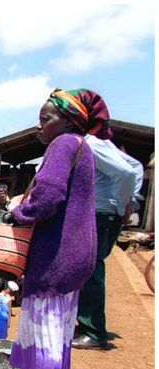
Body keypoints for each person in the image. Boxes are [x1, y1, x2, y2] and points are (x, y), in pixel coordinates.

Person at [0, 88, 98, 369]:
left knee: (45, 330)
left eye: (46, 120)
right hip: (76, 254)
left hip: (57, 255)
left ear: (67, 122)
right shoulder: (84, 148)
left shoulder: (64, 145)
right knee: (58, 327)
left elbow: (49, 195)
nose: (39, 127)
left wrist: (18, 213)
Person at [71, 97, 144, 349]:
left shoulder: (91, 144)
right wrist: (129, 200)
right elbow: (134, 165)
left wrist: (124, 205)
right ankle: (85, 325)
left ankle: (93, 332)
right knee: (88, 270)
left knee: (90, 271)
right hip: (103, 214)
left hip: (100, 214)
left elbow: (126, 173)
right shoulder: (100, 143)